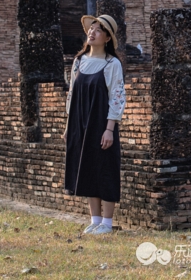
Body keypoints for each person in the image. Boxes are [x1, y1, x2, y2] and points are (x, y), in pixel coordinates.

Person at [63, 14, 126, 235]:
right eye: (92, 29)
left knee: (105, 169)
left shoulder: (112, 64)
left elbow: (117, 97)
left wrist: (109, 129)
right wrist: (68, 125)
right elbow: (71, 93)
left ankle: (107, 224)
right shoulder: (79, 61)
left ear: (107, 38)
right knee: (87, 167)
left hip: (102, 123)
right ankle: (95, 220)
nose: (92, 32)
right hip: (79, 123)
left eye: (98, 30)